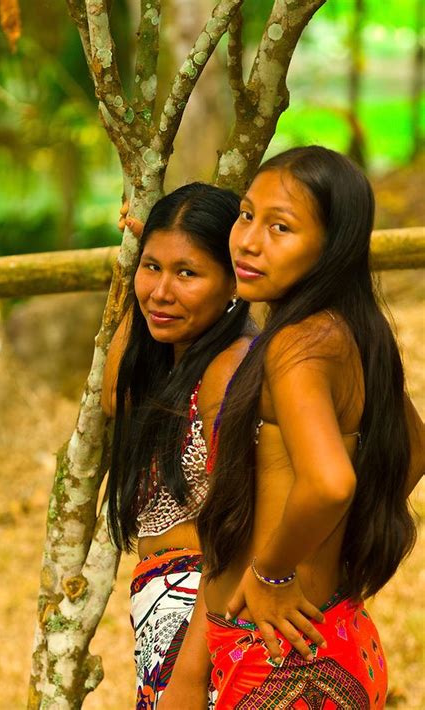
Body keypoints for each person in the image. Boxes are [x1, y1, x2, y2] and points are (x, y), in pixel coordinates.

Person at [189, 145, 424, 708]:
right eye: (247, 215)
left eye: (281, 227)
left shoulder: (299, 345)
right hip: (331, 636)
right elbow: (414, 447)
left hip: (281, 662)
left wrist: (272, 573)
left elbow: (330, 481)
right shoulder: (354, 332)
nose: (247, 241)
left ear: (331, 248)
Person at [101, 182, 255, 708]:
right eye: (154, 268)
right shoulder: (185, 356)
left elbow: (244, 529)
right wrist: (142, 262)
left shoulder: (230, 369)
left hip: (203, 625)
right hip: (171, 620)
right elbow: (113, 393)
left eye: (187, 272)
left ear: (236, 280)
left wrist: (189, 674)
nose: (161, 292)